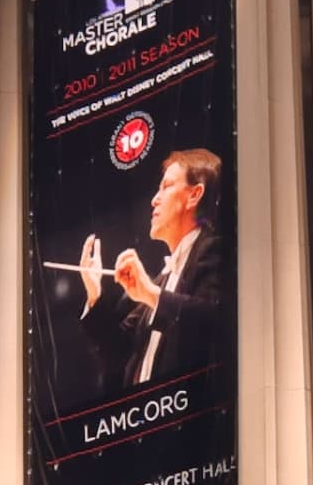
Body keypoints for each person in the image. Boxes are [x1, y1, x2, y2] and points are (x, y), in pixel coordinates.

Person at [79, 146, 228, 389]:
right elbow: (117, 352)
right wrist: (95, 294)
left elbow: (213, 321)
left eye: (166, 186)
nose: (154, 199)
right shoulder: (162, 280)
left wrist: (150, 293)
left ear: (194, 195)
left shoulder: (217, 251)